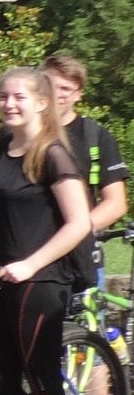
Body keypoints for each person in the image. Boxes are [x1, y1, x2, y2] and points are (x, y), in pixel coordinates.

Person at [0, 67, 95, 395]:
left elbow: (79, 222)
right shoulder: (1, 148)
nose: (8, 104)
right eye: (3, 96)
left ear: (42, 103)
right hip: (1, 279)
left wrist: (31, 264)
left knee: (43, 379)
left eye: (19, 97)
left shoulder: (53, 154)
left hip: (42, 280)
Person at [44, 54, 128, 287]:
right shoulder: (16, 135)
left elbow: (116, 204)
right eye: (50, 85)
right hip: (22, 256)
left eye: (65, 88)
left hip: (80, 262)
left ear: (78, 94)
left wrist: (68, 235)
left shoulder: (96, 136)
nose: (56, 94)